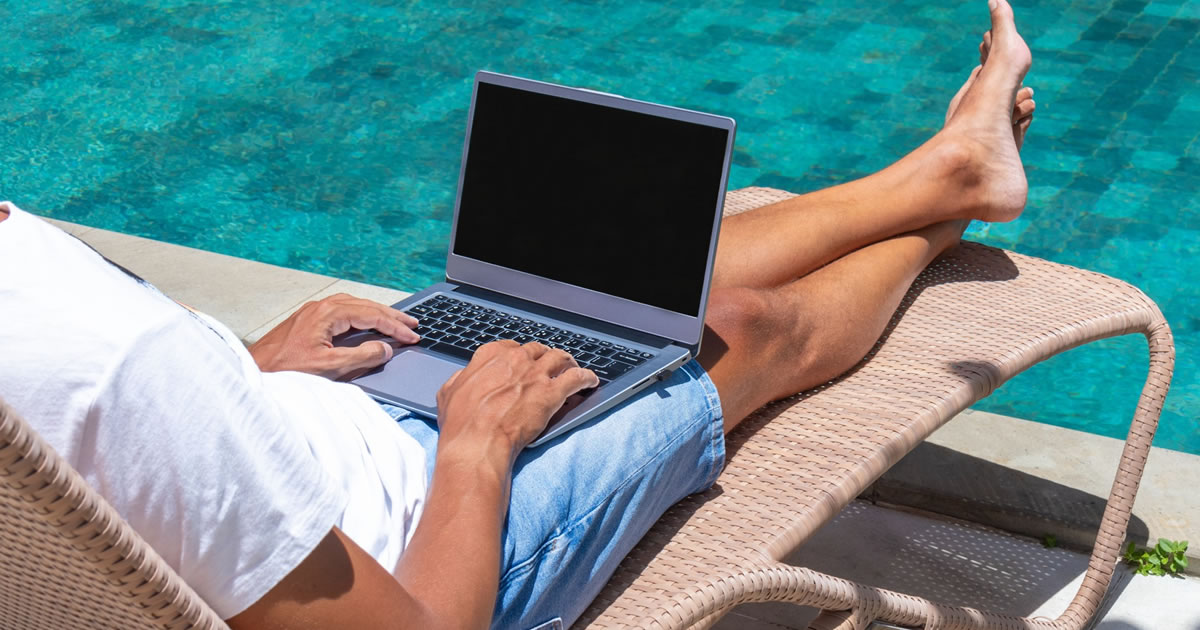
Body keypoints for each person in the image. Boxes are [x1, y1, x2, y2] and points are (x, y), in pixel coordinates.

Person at [0, 2, 1035, 628]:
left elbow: (120, 438)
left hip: (296, 436)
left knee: (619, 280)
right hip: (429, 539)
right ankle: (948, 215)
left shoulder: (85, 348)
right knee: (744, 329)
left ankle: (939, 174)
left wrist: (236, 372)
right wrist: (477, 441)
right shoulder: (116, 358)